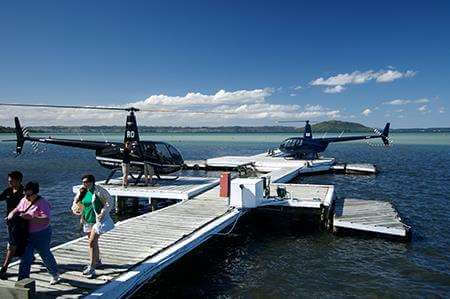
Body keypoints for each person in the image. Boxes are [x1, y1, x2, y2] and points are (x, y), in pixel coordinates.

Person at [8, 181, 60, 285]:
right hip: (26, 234)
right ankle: (22, 281)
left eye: (29, 195)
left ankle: (54, 274)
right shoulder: (24, 199)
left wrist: (31, 217)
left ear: (35, 193)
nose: (26, 197)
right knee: (25, 258)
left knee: (45, 254)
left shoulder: (43, 203)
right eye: (25, 194)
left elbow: (46, 219)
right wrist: (11, 214)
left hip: (41, 233)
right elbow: (18, 208)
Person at [73, 174, 113, 278]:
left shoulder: (99, 190)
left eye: (87, 182)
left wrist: (103, 212)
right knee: (93, 243)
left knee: (91, 242)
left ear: (92, 182)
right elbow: (77, 203)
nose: (85, 184)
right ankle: (97, 260)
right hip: (87, 220)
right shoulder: (82, 191)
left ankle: (92, 267)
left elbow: (109, 202)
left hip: (98, 221)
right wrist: (77, 210)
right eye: (83, 182)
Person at [0, 171, 24, 279]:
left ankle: (4, 269)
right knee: (19, 242)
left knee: (12, 244)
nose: (9, 182)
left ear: (18, 180)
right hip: (10, 222)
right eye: (8, 180)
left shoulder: (24, 193)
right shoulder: (8, 190)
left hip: (20, 223)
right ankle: (29, 256)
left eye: (11, 180)